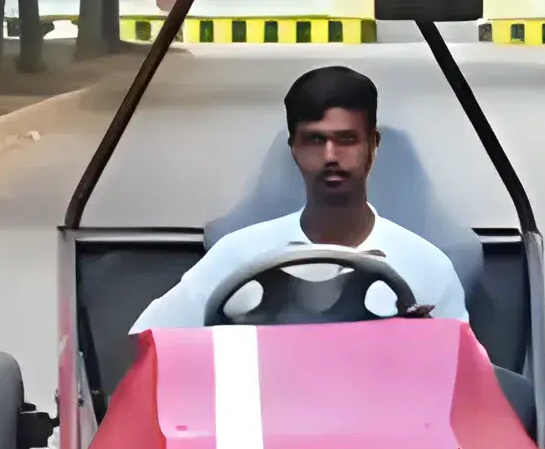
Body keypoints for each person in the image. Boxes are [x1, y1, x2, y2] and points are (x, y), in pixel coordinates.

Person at [133, 64, 474, 332]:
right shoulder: (237, 256)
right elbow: (152, 336)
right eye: (314, 140)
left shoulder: (428, 266)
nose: (330, 156)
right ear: (293, 148)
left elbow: (460, 376)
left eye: (346, 139)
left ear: (373, 145)